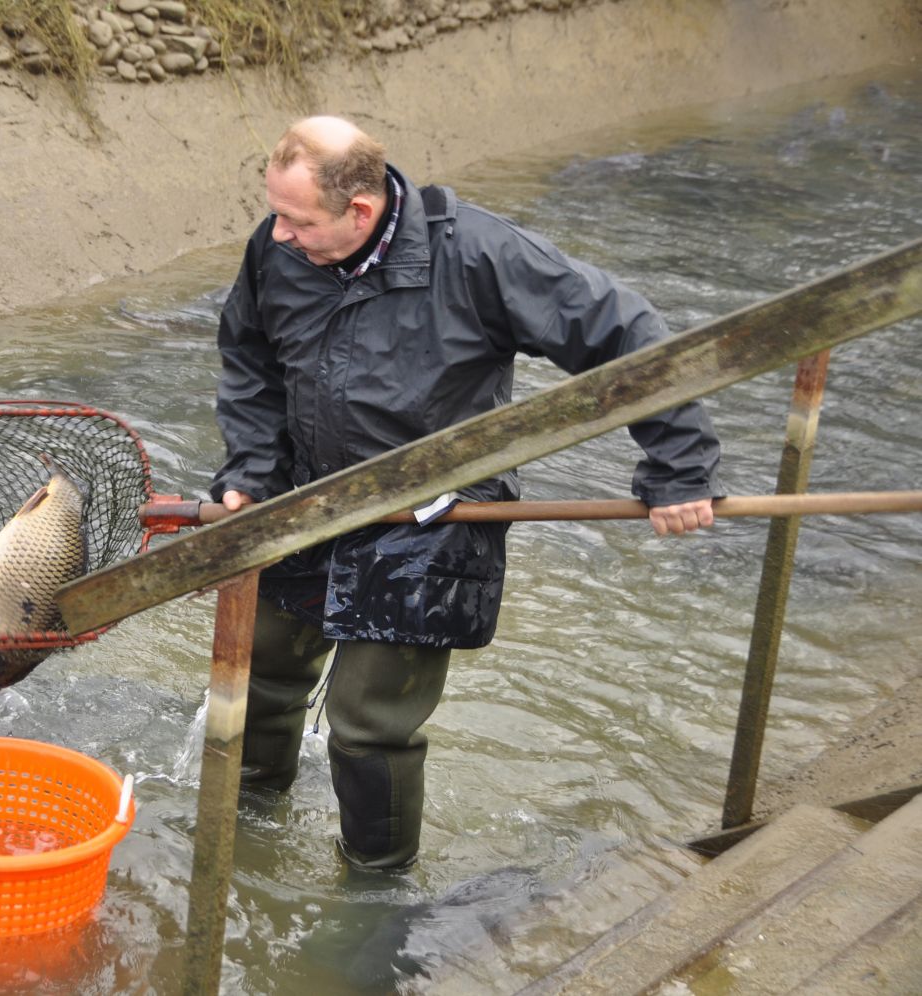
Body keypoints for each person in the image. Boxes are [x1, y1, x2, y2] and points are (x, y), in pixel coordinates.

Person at [211, 116, 723, 871]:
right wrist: (251, 471)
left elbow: (626, 333)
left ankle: (374, 887)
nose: (280, 235)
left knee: (365, 724)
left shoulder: (479, 252)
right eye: (276, 214)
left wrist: (678, 470)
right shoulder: (277, 251)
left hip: (435, 517)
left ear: (360, 210)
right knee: (259, 674)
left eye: (298, 219)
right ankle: (247, 833)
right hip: (306, 496)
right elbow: (248, 359)